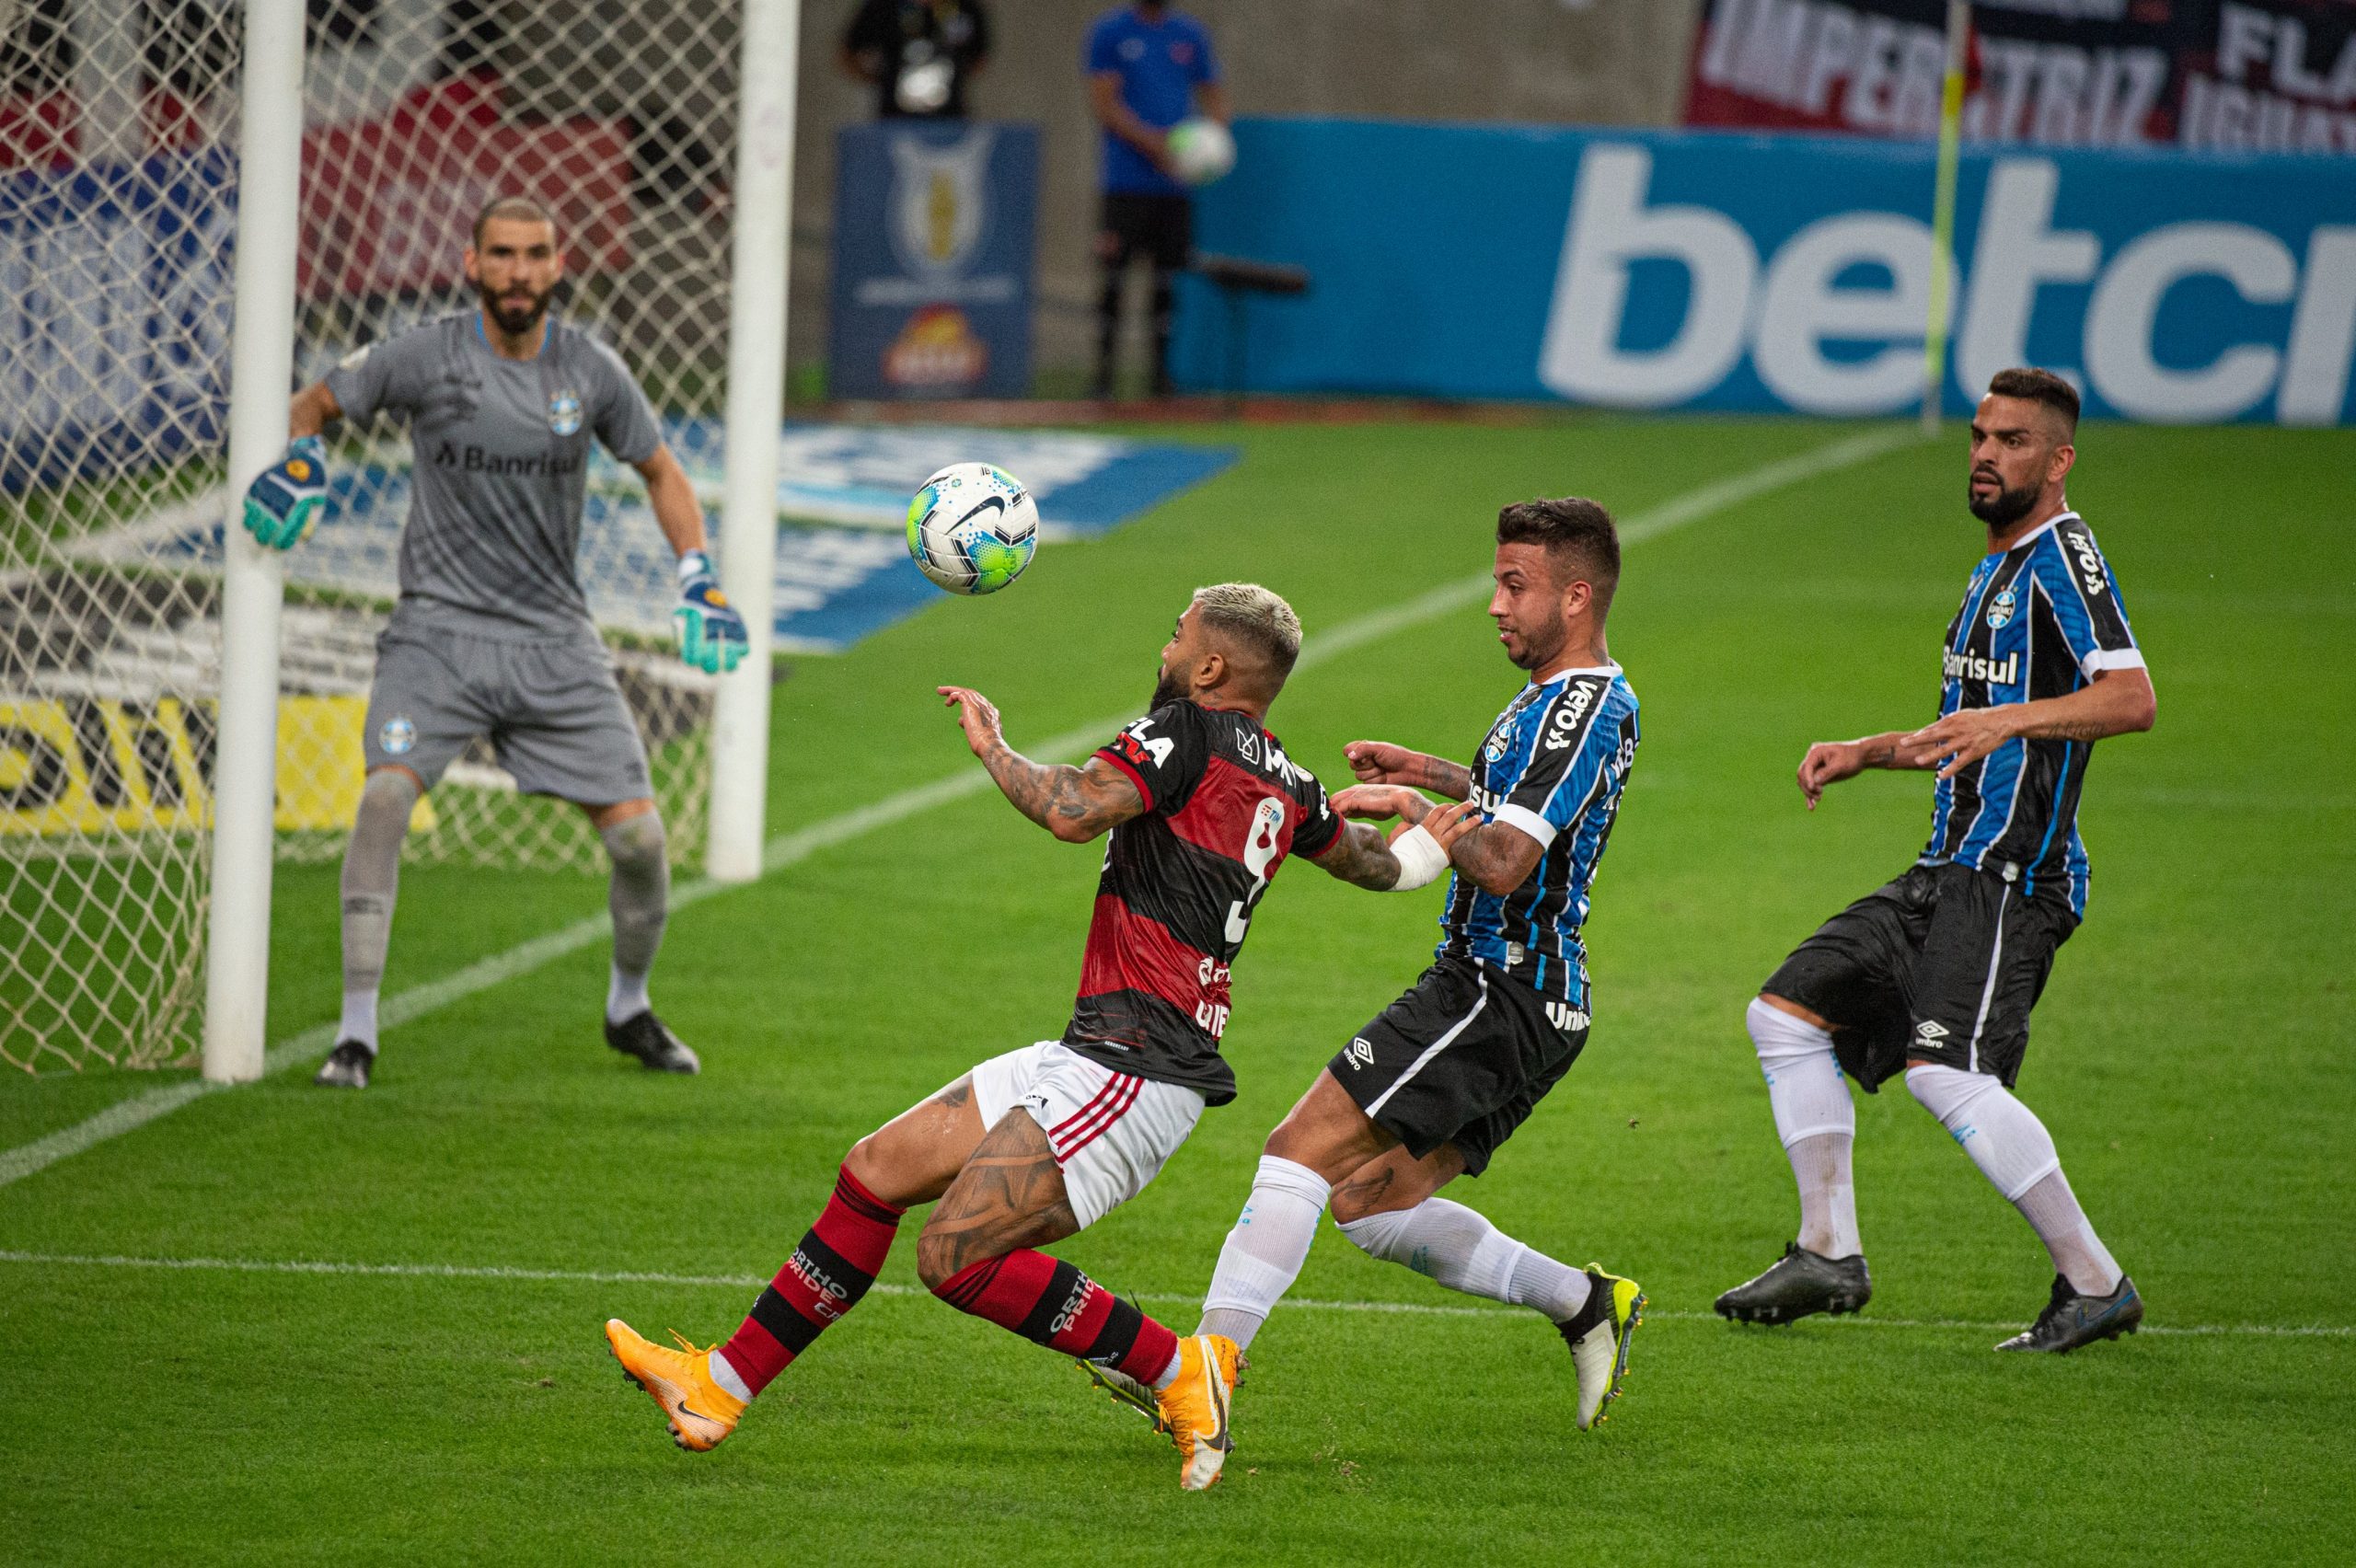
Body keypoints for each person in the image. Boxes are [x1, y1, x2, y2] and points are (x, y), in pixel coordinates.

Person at [601, 585, 1476, 1485]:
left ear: (1212, 667)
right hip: (1096, 1052)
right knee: (874, 1173)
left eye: (1178, 633)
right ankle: (720, 1385)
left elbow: (1070, 809)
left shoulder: (1182, 731)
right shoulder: (1285, 780)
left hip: (1133, 1069)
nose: (1166, 645)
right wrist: (1434, 846)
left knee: (955, 1258)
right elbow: (1372, 866)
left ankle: (1184, 1370)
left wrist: (994, 748)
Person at [1091, 501, 1646, 1492]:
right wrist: (1429, 772)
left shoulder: (1582, 704)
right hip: (1538, 1003)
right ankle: (1583, 1302)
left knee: (1296, 1153)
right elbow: (1512, 795)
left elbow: (1509, 860)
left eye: (1515, 585)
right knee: (1363, 1201)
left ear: (1577, 593)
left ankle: (1204, 1374)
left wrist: (1413, 810)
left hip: (1496, 986)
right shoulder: (1552, 703)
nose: (1494, 604)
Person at [238, 195, 748, 1091]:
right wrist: (304, 456)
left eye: (536, 254)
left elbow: (660, 469)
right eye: (503, 255)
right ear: (472, 264)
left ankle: (628, 1006)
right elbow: (311, 403)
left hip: (554, 640)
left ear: (559, 266)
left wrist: (698, 576)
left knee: (641, 842)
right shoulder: (423, 354)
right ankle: (354, 1034)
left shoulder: (589, 368)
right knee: (385, 798)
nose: (519, 270)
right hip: (435, 634)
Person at [1715, 367, 2156, 1354]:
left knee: (1942, 1072)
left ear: (2058, 459)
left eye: (2010, 441)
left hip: (2012, 876)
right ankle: (1827, 1249)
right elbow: (1972, 725)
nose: (1986, 456)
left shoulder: (2061, 557)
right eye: (1978, 436)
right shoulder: (1994, 570)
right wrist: (1869, 752)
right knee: (1785, 1015)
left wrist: (2013, 717)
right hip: (1944, 864)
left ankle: (2095, 1283)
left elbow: (2130, 698)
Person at [1083, 0, 1228, 398]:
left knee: (1167, 281)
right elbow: (1104, 102)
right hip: (1126, 182)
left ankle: (1161, 378)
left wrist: (1209, 142)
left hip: (1174, 185)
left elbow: (1213, 95)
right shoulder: (1111, 31)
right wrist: (1152, 143)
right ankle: (1103, 377)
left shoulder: (1190, 33)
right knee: (1114, 277)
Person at [840, 0, 991, 120]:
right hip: (894, 118)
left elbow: (980, 55)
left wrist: (956, 76)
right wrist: (876, 78)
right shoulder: (883, 6)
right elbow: (848, 52)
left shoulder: (964, 7)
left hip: (950, 116)